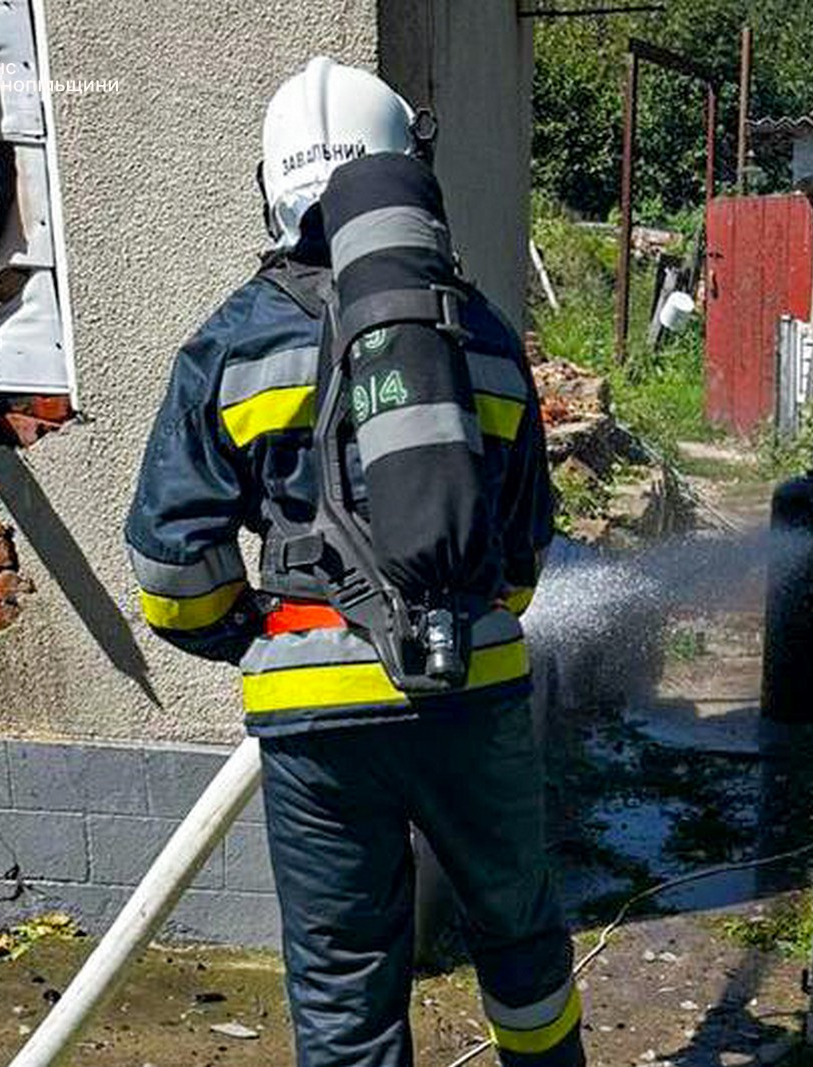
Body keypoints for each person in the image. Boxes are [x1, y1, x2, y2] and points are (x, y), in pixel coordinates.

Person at [124, 56, 581, 1067]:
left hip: (313, 712)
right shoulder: (487, 338)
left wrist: (263, 634)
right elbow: (522, 549)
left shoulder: (231, 345)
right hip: (478, 688)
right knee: (521, 944)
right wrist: (458, 612)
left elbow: (170, 566)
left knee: (343, 988)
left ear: (272, 185)